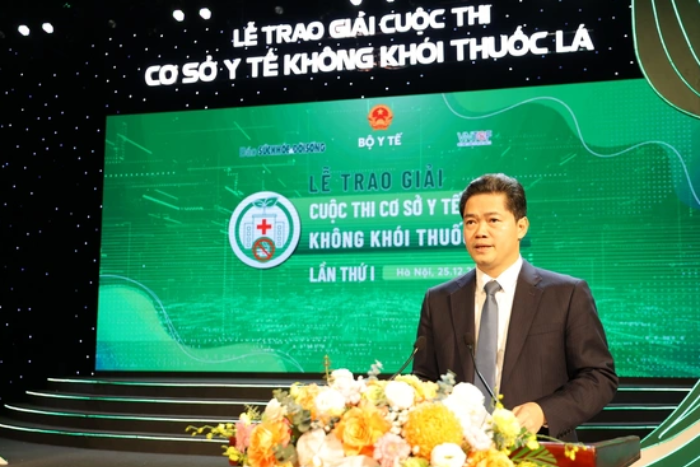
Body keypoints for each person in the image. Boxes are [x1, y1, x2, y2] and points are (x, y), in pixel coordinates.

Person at [412, 173, 618, 442]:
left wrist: (544, 412)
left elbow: (599, 376)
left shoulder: (566, 294)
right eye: (471, 222)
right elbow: (425, 379)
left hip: (539, 451)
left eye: (493, 220)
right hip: (457, 452)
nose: (480, 231)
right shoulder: (439, 300)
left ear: (521, 227)